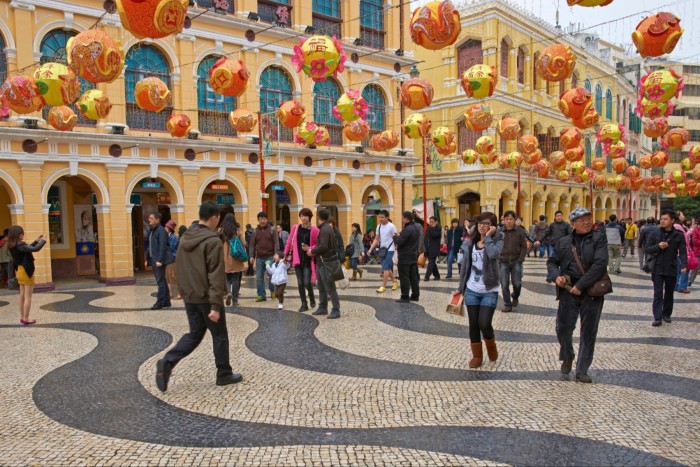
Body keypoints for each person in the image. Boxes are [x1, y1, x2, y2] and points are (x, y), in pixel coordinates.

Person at [155, 202, 242, 392]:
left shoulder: (186, 236)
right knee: (220, 335)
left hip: (190, 295)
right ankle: (224, 374)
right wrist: (215, 305)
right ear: (213, 217)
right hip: (206, 296)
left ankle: (167, 362)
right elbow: (215, 273)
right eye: (218, 217)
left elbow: (181, 267)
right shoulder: (212, 241)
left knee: (195, 334)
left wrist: (183, 292)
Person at [547, 208, 608, 384]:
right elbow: (552, 262)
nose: (587, 222)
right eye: (582, 220)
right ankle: (568, 354)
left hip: (591, 290)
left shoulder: (598, 238)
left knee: (588, 331)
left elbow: (600, 264)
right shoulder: (563, 242)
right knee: (563, 328)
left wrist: (581, 285)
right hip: (568, 289)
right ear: (573, 224)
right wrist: (555, 275)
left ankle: (582, 369)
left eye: (588, 218)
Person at [457, 212, 503, 368]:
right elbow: (464, 266)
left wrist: (489, 237)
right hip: (472, 289)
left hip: (489, 289)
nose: (482, 226)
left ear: (493, 226)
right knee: (473, 324)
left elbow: (492, 254)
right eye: (480, 223)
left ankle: (491, 346)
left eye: (486, 223)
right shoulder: (471, 242)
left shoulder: (498, 241)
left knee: (484, 323)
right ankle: (477, 356)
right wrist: (461, 287)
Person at [644, 209, 688, 326]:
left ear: (672, 220)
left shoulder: (678, 235)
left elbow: (683, 251)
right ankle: (657, 317)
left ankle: (666, 314)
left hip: (671, 267)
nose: (662, 221)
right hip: (657, 268)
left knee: (669, 293)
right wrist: (658, 246)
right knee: (658, 293)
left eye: (665, 219)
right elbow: (647, 248)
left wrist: (684, 265)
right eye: (661, 219)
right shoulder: (655, 233)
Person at [303, 209, 341, 319]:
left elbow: (324, 246)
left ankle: (336, 309)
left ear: (319, 218)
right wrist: (312, 249)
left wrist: (312, 251)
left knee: (330, 287)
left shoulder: (325, 229)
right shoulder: (326, 228)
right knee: (321, 286)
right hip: (322, 261)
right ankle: (323, 307)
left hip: (326, 261)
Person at [7, 226, 46, 325]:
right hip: (26, 272)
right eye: (22, 232)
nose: (23, 234)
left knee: (22, 296)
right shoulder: (20, 245)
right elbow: (35, 249)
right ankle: (26, 318)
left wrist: (37, 240)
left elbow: (28, 249)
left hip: (19, 271)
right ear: (19, 234)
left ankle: (22, 317)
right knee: (28, 297)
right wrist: (43, 241)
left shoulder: (13, 245)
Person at [284, 208, 319, 312]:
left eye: (305, 216)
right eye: (301, 216)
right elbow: (289, 242)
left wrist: (310, 248)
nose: (303, 218)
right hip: (298, 259)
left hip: (308, 260)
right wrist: (285, 254)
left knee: (307, 282)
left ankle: (311, 297)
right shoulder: (295, 228)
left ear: (309, 217)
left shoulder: (315, 230)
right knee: (300, 283)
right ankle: (304, 303)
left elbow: (318, 245)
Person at [499, 210, 528, 312]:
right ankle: (507, 304)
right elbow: (497, 246)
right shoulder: (500, 232)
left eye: (511, 219)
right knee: (504, 284)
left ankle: (515, 296)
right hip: (503, 262)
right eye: (507, 219)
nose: (509, 221)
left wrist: (520, 259)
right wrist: (499, 257)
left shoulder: (520, 231)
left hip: (516, 261)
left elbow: (524, 247)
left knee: (517, 284)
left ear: (515, 220)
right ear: (504, 220)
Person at [248, 212, 279, 302]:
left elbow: (276, 243)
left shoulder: (272, 230)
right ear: (258, 220)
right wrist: (251, 256)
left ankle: (273, 292)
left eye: (264, 219)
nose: (262, 221)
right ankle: (261, 295)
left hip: (270, 257)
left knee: (272, 275)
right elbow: (252, 245)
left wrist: (276, 254)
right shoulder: (254, 231)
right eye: (260, 219)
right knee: (259, 277)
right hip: (259, 258)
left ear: (267, 219)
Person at [393, 211, 422, 302]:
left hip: (405, 256)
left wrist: (395, 237)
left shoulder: (408, 229)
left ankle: (405, 296)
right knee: (413, 276)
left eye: (402, 218)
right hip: (413, 255)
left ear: (406, 218)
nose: (402, 220)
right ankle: (415, 295)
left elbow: (399, 241)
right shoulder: (416, 227)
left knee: (404, 276)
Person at [367, 210, 399, 293]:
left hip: (390, 249)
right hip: (382, 250)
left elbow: (397, 237)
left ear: (387, 217)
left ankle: (383, 286)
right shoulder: (379, 227)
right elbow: (376, 239)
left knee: (385, 268)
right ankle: (395, 281)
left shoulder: (392, 226)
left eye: (382, 217)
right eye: (379, 217)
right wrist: (371, 249)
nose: (380, 219)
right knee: (386, 267)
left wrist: (397, 249)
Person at [146, 212, 172, 310]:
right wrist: (148, 259)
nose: (149, 220)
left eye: (151, 218)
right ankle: (166, 301)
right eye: (149, 218)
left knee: (160, 281)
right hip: (154, 259)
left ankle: (159, 302)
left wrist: (160, 260)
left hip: (158, 260)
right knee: (162, 280)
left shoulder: (161, 231)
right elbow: (150, 246)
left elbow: (163, 246)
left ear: (157, 219)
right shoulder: (152, 230)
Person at [221, 213, 246, 307]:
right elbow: (244, 243)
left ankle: (228, 292)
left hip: (225, 256)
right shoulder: (237, 230)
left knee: (227, 277)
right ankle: (235, 301)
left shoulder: (222, 230)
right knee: (236, 278)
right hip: (236, 257)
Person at [164, 220, 181, 300]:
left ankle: (178, 294)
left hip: (173, 258)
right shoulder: (168, 236)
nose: (165, 228)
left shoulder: (173, 237)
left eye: (166, 227)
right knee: (168, 276)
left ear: (169, 228)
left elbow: (172, 247)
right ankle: (170, 293)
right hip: (168, 258)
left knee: (174, 276)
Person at [424, 216, 442, 281]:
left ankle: (427, 276)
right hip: (428, 248)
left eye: (432, 222)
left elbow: (434, 235)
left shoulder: (438, 228)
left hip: (434, 248)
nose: (431, 223)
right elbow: (426, 238)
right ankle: (437, 275)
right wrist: (425, 247)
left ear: (436, 222)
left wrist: (432, 228)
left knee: (431, 262)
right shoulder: (429, 228)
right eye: (430, 221)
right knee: (432, 263)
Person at [689, 217, 700, 288]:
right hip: (698, 252)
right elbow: (695, 241)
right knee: (695, 268)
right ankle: (690, 281)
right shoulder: (697, 230)